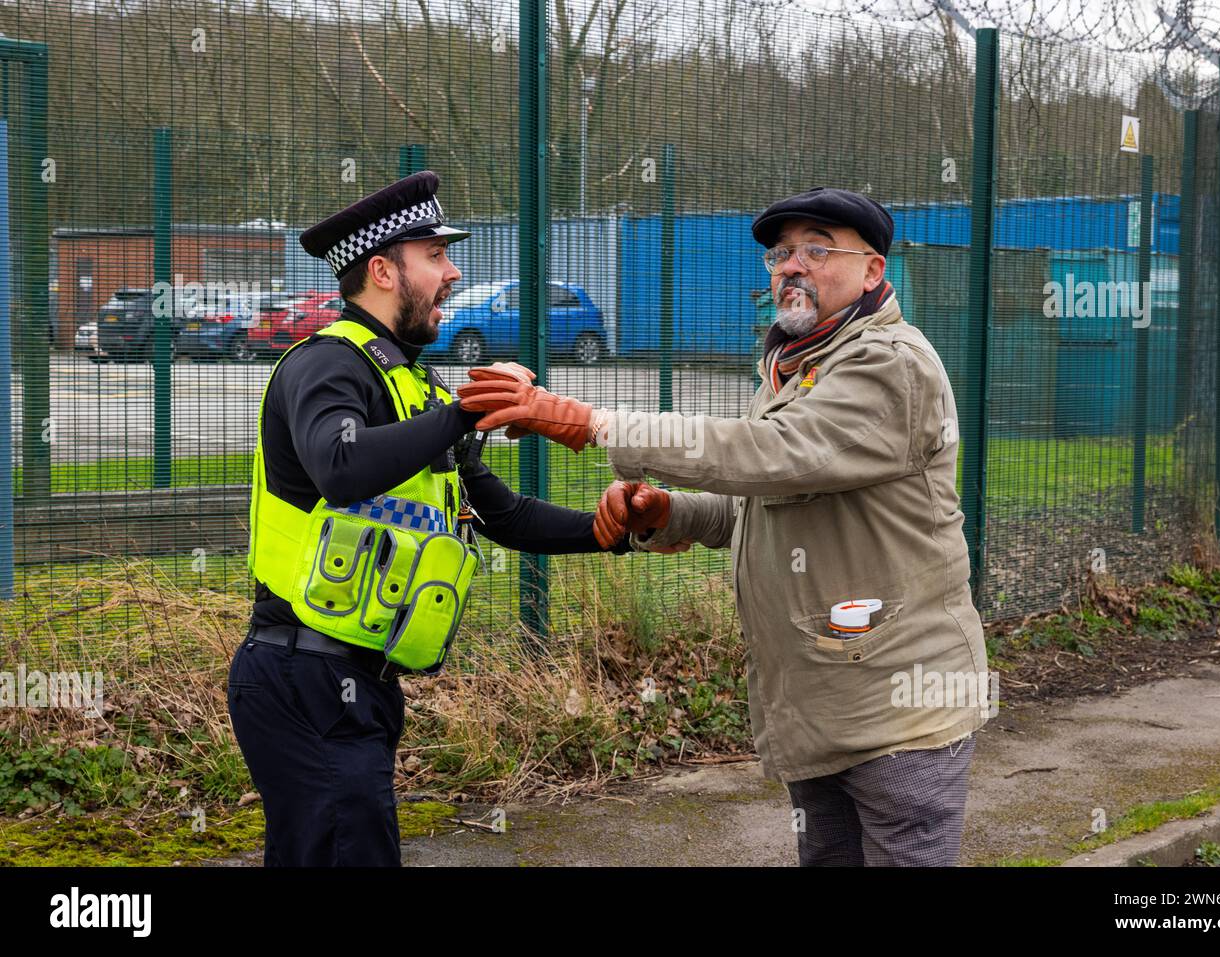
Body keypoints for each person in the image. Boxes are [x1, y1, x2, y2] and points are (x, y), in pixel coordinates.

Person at [457, 186, 989, 867]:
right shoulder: (797, 366)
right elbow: (765, 496)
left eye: (817, 250)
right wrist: (671, 513)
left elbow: (770, 453)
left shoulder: (891, 364)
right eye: (781, 252)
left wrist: (596, 424)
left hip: (899, 712)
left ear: (874, 271)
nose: (791, 266)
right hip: (824, 701)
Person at [228, 171, 628, 867]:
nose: (454, 271)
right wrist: (461, 413)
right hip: (303, 678)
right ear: (383, 271)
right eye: (436, 256)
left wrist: (606, 530)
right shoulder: (325, 365)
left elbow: (499, 511)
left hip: (357, 687)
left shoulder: (413, 384)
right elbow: (339, 464)